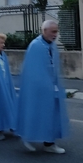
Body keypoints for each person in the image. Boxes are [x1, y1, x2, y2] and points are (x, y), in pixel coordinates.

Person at [16, 20, 69, 154]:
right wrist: (45, 85)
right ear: (44, 31)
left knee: (51, 115)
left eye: (56, 31)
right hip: (38, 89)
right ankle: (27, 136)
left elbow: (54, 67)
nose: (55, 35)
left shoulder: (52, 46)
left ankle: (49, 142)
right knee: (35, 113)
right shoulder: (36, 46)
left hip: (51, 88)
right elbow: (33, 71)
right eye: (53, 31)